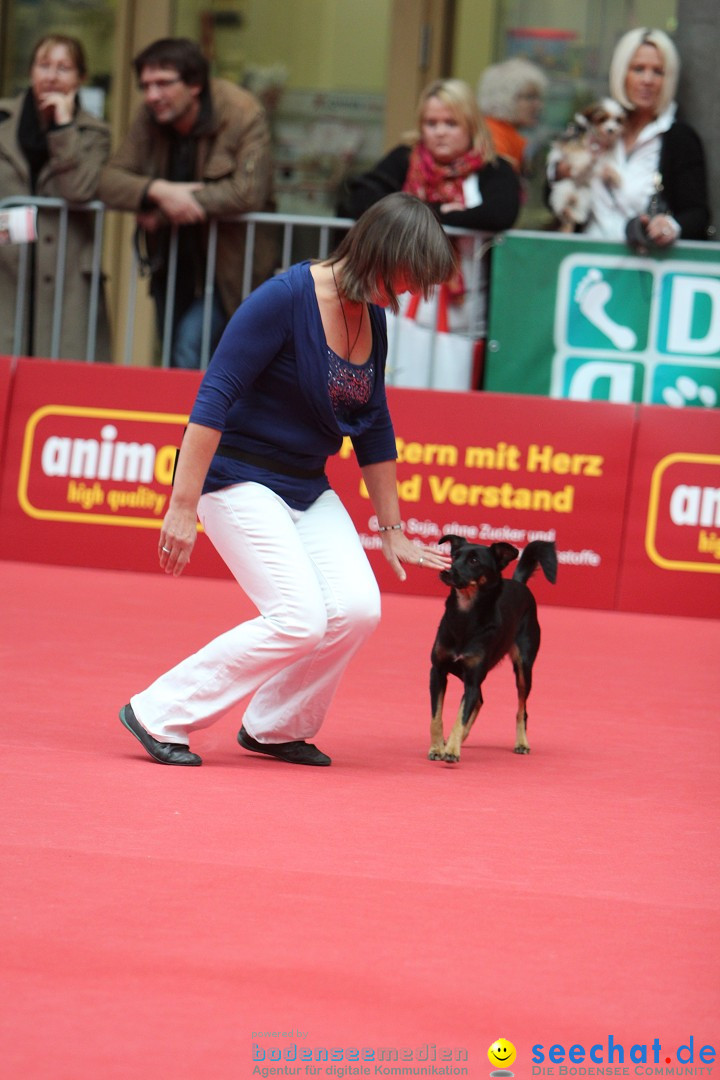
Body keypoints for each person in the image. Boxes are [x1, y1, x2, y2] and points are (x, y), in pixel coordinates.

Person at [119, 192, 454, 768]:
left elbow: (373, 424)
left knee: (357, 609)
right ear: (379, 251)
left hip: (304, 483)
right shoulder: (283, 298)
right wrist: (183, 503)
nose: (405, 295)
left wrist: (392, 528)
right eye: (405, 279)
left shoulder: (372, 315)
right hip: (237, 477)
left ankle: (275, 727)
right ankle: (159, 712)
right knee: (299, 618)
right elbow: (213, 397)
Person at [98, 38, 275, 369]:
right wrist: (160, 190)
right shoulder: (150, 116)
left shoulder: (241, 111)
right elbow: (109, 180)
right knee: (173, 357)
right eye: (146, 86)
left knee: (188, 349)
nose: (152, 96)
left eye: (163, 83)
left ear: (194, 84)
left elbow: (249, 191)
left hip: (230, 269)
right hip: (173, 264)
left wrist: (169, 210)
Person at [339, 78, 519, 351]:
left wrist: (412, 212)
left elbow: (500, 214)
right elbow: (361, 200)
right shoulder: (404, 159)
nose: (440, 132)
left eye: (451, 123)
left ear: (471, 124)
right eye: (431, 123)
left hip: (464, 319)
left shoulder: (493, 168)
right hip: (395, 307)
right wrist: (442, 213)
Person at [0, 35, 111, 360]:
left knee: (61, 376)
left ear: (81, 78)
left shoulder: (94, 133)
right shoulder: (2, 120)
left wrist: (63, 127)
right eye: (44, 65)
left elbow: (79, 190)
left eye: (64, 68)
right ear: (31, 71)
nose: (51, 76)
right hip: (7, 265)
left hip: (66, 276)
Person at [547, 28, 710, 247]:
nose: (647, 80)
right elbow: (552, 197)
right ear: (622, 73)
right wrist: (562, 171)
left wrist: (669, 226)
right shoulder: (596, 122)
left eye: (658, 72)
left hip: (645, 265)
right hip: (584, 262)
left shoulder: (678, 138)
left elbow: (697, 214)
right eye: (638, 69)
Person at [478, 57, 548, 174]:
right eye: (530, 97)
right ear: (503, 98)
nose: (539, 105)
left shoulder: (508, 135)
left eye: (539, 98)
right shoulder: (493, 138)